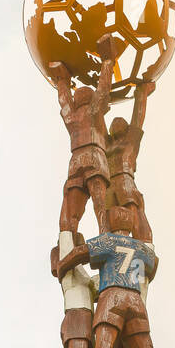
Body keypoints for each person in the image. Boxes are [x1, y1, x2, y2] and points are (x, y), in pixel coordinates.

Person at [56, 205, 165, 348]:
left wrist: (63, 265)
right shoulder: (141, 248)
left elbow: (81, 252)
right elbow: (153, 264)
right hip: (135, 299)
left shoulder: (108, 240)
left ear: (111, 222)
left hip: (112, 296)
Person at [50, 35, 116, 234]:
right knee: (97, 202)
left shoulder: (75, 117)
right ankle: (97, 233)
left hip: (77, 160)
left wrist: (62, 81)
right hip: (93, 157)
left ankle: (69, 237)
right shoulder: (93, 111)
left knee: (79, 204)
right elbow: (103, 88)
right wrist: (107, 61)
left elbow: (64, 102)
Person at [105, 78, 155, 242]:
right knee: (108, 217)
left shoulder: (130, 141)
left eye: (120, 121)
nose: (116, 123)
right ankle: (113, 247)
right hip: (108, 184)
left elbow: (138, 118)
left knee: (132, 209)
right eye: (113, 122)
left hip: (125, 179)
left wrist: (141, 94)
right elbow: (96, 125)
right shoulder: (106, 145)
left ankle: (144, 241)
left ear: (126, 128)